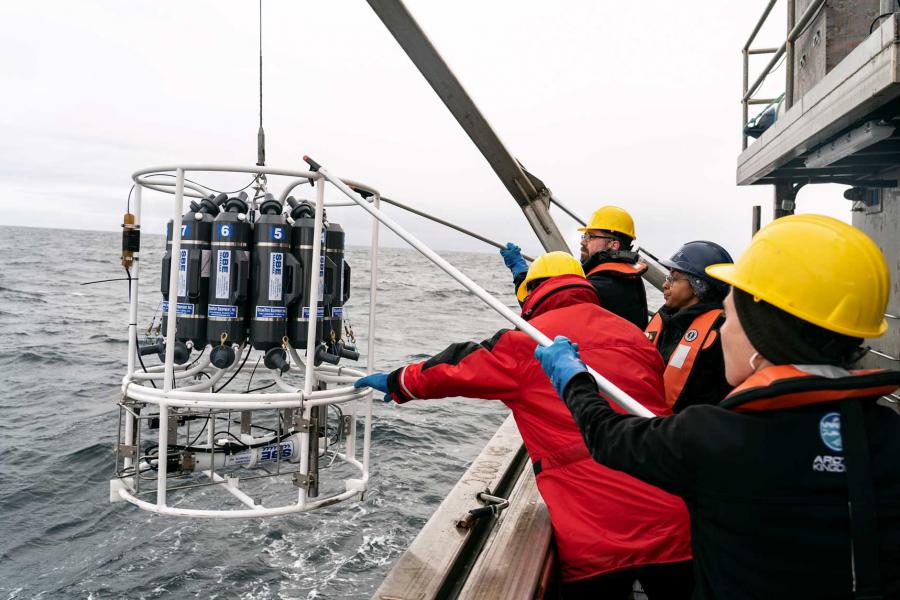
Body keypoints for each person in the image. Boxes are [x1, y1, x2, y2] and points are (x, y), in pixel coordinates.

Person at [534, 215, 900, 599]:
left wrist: (573, 378)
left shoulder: (713, 439)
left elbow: (608, 436)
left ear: (762, 327)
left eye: (731, 315)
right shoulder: (888, 435)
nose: (723, 328)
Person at [356, 252, 693, 598]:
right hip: (673, 513)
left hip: (596, 531)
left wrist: (398, 382)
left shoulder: (526, 342)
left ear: (533, 291)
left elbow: (456, 368)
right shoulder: (633, 333)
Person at [500, 205, 649, 329]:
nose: (583, 242)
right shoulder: (621, 277)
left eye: (590, 236)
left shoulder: (605, 285)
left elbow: (541, 307)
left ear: (613, 245)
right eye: (585, 236)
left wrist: (519, 271)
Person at [645, 241, 734, 411]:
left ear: (698, 285)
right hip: (649, 418)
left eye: (673, 278)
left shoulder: (721, 334)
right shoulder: (666, 318)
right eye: (667, 277)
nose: (665, 284)